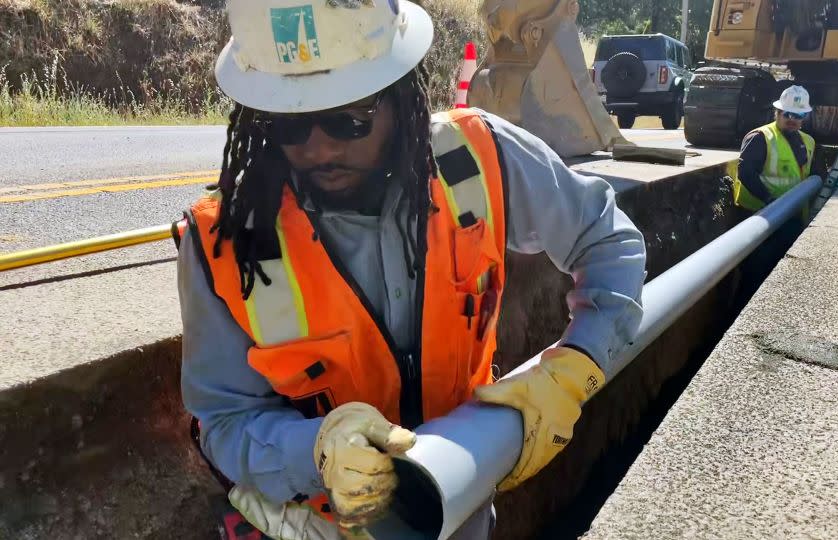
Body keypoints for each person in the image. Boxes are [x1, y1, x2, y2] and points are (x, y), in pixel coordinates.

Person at [174, 0, 646, 539]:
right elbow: (224, 422)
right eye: (291, 126)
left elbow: (608, 241)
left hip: (462, 508)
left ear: (400, 97)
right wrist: (316, 452)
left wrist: (576, 365)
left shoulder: (477, 159)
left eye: (348, 120)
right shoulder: (225, 243)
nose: (319, 148)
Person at [734, 85, 817, 212]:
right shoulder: (760, 137)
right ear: (777, 112)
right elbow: (746, 173)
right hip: (759, 214)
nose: (792, 119)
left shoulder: (809, 141)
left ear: (804, 117)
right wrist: (768, 199)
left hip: (793, 211)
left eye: (798, 115)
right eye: (787, 114)